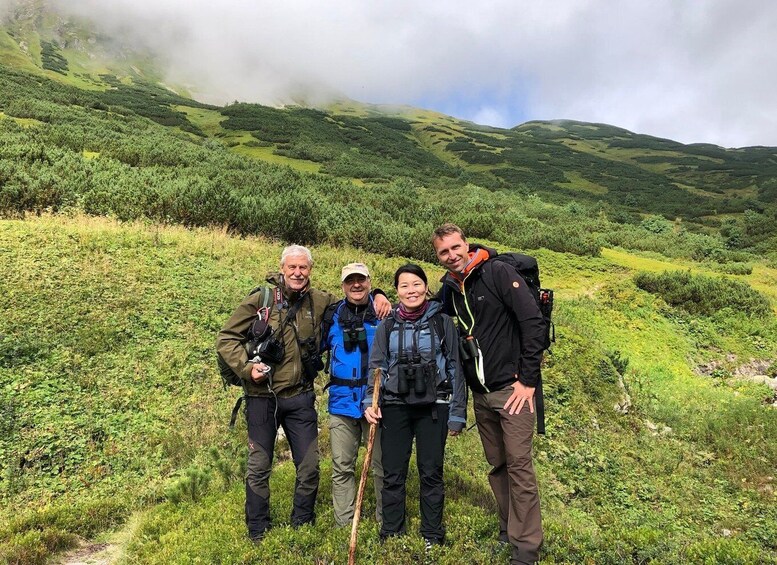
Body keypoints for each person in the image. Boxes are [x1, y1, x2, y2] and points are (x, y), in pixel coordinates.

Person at [216, 246, 390, 542]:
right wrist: (247, 369)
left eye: (304, 268)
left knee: (309, 465)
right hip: (262, 397)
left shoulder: (321, 301)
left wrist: (381, 293)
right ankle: (258, 530)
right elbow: (226, 338)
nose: (298, 273)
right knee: (259, 465)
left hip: (300, 398)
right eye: (292, 267)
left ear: (310, 270)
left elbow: (357, 296)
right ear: (282, 268)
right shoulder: (262, 299)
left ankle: (302, 522)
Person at [432, 224, 546, 565]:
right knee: (497, 465)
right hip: (481, 394)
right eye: (443, 252)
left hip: (512, 391)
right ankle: (506, 529)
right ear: (437, 256)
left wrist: (527, 381)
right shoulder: (452, 288)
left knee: (519, 466)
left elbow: (534, 324)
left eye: (455, 247)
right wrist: (381, 294)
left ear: (466, 245)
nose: (451, 255)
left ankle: (525, 549)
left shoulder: (497, 272)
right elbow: (421, 305)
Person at [364, 263, 466, 549]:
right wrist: (368, 403)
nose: (411, 290)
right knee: (393, 471)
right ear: (396, 291)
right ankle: (392, 532)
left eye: (416, 284)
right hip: (394, 405)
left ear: (426, 287)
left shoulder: (442, 321)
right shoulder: (387, 325)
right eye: (404, 285)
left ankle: (432, 534)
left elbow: (456, 367)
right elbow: (376, 367)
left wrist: (457, 413)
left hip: (435, 405)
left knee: (431, 470)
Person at [321, 263, 385, 527]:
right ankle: (344, 523)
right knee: (342, 466)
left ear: (370, 282)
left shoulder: (384, 312)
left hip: (377, 403)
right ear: (343, 285)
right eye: (350, 281)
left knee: (382, 467)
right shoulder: (331, 316)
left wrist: (381, 295)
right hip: (341, 401)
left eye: (361, 279)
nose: (356, 285)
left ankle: (387, 523)